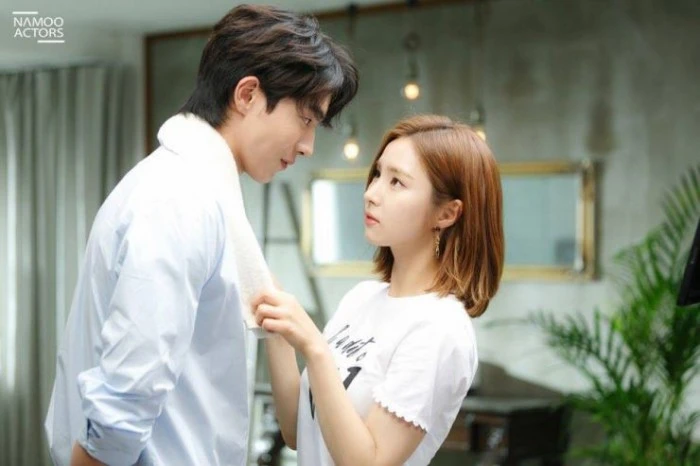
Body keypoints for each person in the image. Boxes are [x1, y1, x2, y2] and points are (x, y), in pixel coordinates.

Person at [44, 5, 358, 466]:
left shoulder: (194, 190)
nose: (308, 146)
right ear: (247, 94)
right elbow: (127, 393)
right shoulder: (180, 198)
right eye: (307, 120)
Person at [253, 114, 504, 465]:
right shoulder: (360, 299)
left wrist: (314, 347)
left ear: (447, 213)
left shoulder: (440, 328)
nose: (371, 194)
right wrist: (278, 327)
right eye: (377, 175)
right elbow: (298, 430)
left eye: (397, 182)